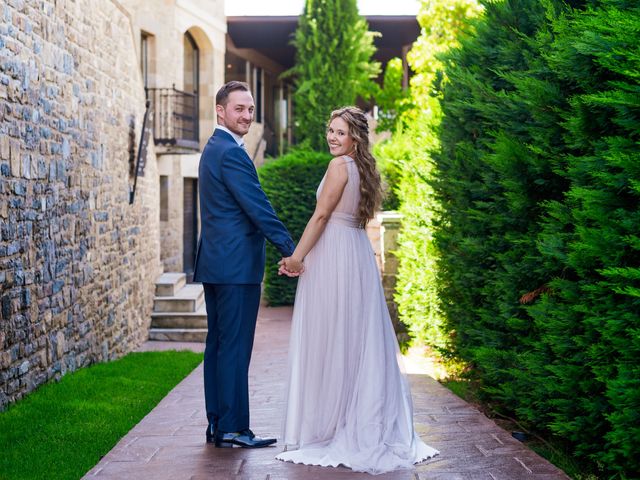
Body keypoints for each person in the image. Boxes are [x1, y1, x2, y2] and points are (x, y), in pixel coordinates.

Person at [275, 106, 439, 473]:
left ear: (355, 137)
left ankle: (334, 424)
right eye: (330, 130)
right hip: (356, 253)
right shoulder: (364, 168)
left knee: (332, 337)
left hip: (334, 253)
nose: (332, 137)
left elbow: (320, 216)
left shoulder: (338, 167)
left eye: (340, 132)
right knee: (353, 338)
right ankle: (345, 418)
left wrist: (297, 258)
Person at [193, 81, 297, 448]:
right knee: (234, 348)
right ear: (220, 111)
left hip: (218, 265)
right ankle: (234, 427)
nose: (247, 116)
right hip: (235, 268)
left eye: (250, 109)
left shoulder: (213, 148)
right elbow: (258, 207)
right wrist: (291, 249)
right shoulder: (231, 153)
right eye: (239, 109)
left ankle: (218, 423)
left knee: (220, 346)